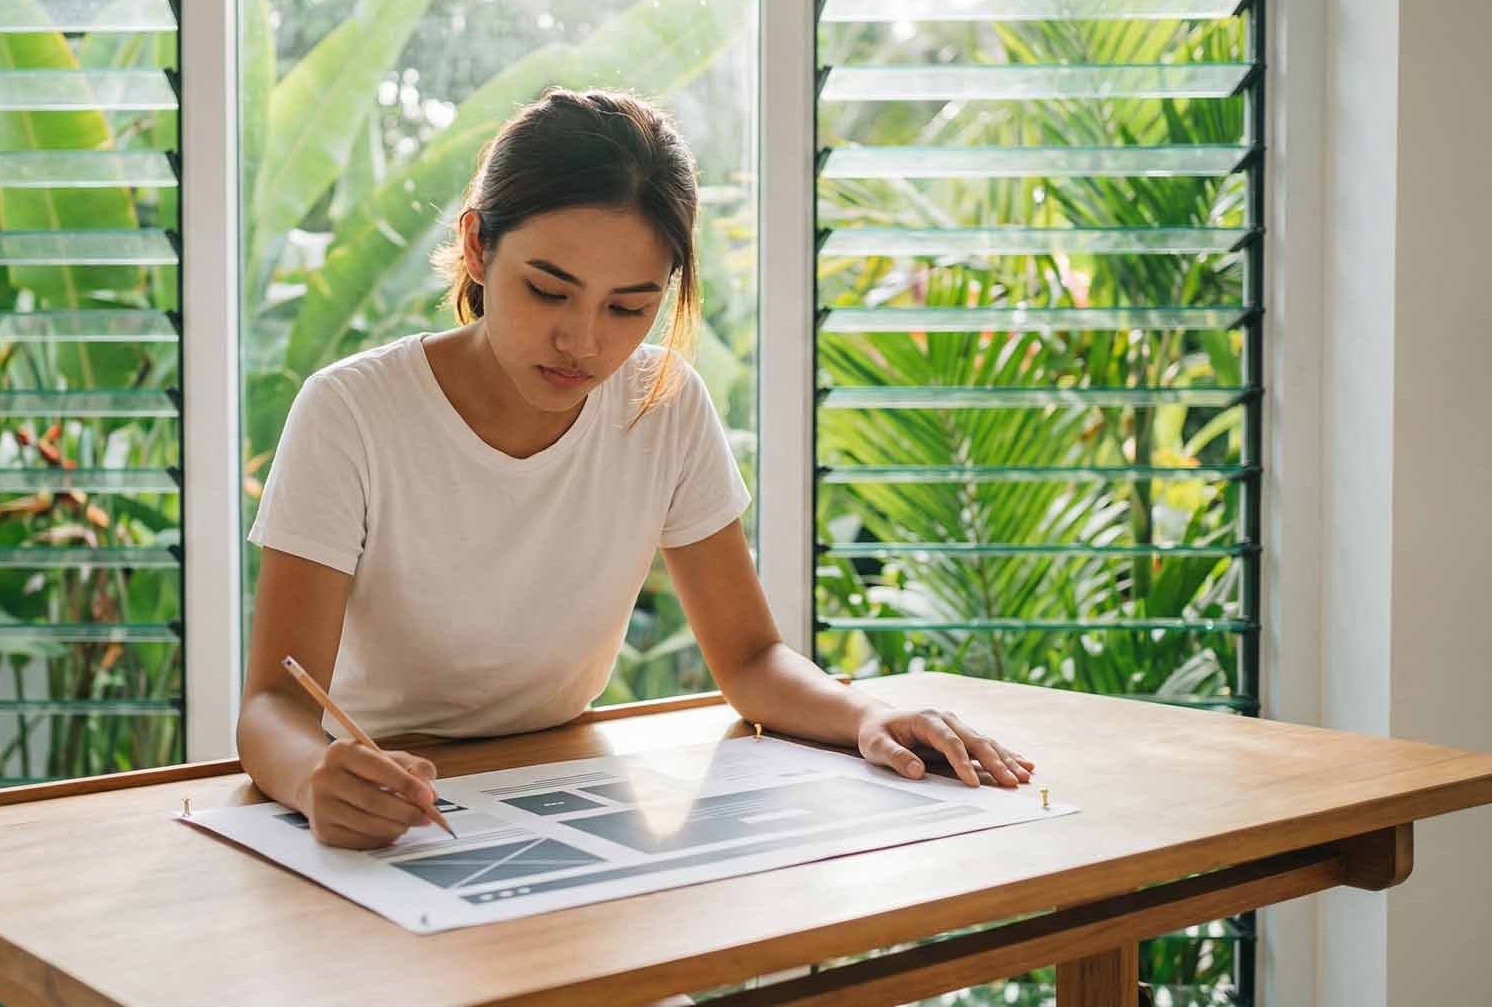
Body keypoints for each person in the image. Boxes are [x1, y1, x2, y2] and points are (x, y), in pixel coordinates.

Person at [236, 87, 1035, 853]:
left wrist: (865, 714)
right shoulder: (352, 412)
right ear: (479, 246)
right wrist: (312, 776)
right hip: (378, 802)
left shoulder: (663, 403)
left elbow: (751, 661)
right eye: (549, 291)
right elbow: (272, 704)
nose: (582, 343)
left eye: (628, 307)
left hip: (560, 783)